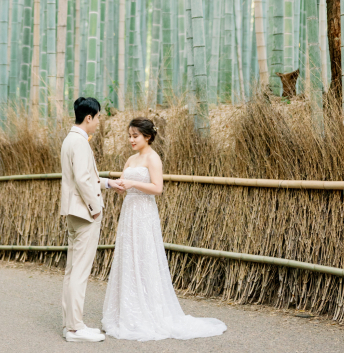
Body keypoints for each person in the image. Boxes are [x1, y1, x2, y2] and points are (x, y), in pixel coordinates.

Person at [101, 117, 227, 341]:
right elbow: (125, 182)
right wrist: (121, 186)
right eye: (129, 136)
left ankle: (149, 309)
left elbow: (157, 188)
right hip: (129, 211)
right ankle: (129, 309)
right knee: (129, 257)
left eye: (135, 136)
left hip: (144, 213)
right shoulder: (130, 159)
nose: (131, 140)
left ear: (147, 137)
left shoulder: (153, 158)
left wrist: (133, 183)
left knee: (145, 256)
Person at [60, 96, 125, 343]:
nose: (98, 122)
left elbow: (85, 176)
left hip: (72, 212)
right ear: (89, 117)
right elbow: (82, 179)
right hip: (84, 213)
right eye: (98, 118)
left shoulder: (70, 139)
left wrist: (108, 183)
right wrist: (95, 208)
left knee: (72, 271)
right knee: (80, 272)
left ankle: (70, 325)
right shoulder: (80, 142)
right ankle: (76, 328)